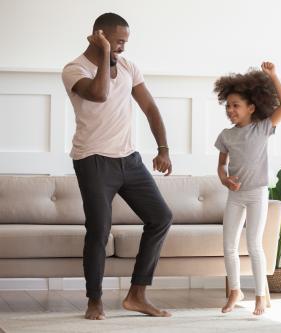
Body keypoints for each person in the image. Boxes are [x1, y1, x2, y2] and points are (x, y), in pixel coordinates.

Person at [61, 13, 173, 320]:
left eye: (125, 41)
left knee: (161, 217)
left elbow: (149, 107)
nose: (123, 47)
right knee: (99, 230)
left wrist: (163, 148)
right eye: (119, 41)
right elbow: (99, 94)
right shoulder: (74, 69)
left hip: (129, 159)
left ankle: (137, 294)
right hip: (93, 159)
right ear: (100, 35)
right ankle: (94, 300)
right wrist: (107, 55)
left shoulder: (128, 66)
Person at [214, 62, 281, 315]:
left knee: (254, 244)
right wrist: (225, 180)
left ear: (251, 108)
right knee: (229, 246)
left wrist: (273, 76)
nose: (231, 110)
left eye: (236, 105)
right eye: (228, 105)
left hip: (257, 193)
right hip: (235, 195)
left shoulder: (263, 128)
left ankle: (259, 295)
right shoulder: (226, 135)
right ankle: (235, 291)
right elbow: (221, 167)